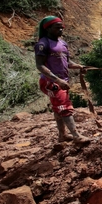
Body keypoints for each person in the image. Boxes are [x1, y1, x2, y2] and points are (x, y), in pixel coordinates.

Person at [34, 16, 90, 144]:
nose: (60, 30)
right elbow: (40, 65)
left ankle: (62, 136)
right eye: (57, 27)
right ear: (48, 28)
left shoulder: (63, 44)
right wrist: (57, 80)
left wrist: (79, 66)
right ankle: (76, 136)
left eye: (61, 27)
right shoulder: (43, 44)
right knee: (64, 106)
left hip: (62, 80)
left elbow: (67, 61)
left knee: (58, 107)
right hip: (51, 82)